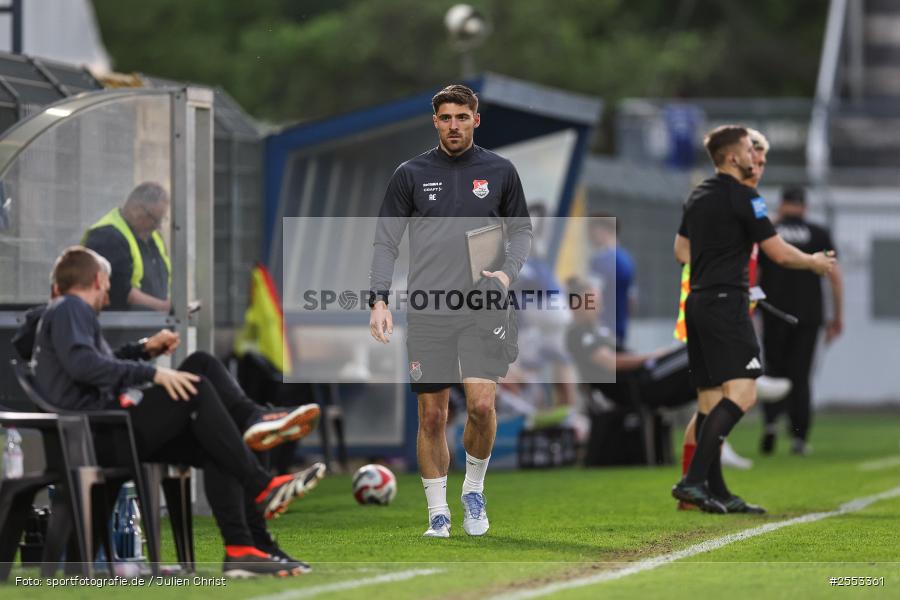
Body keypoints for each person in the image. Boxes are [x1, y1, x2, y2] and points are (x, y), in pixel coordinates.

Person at [25, 246, 325, 576]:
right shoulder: (70, 308)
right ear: (98, 280)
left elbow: (96, 363)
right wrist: (153, 373)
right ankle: (261, 480)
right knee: (198, 387)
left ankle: (244, 547)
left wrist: (143, 349)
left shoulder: (65, 313)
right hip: (101, 434)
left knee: (215, 418)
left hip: (104, 430)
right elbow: (84, 365)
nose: (108, 297)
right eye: (107, 287)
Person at [368, 84, 532, 538]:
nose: (454, 125)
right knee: (432, 416)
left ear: (476, 120)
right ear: (435, 122)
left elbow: (521, 231)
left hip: (483, 308)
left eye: (462, 117)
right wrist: (379, 299)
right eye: (446, 118)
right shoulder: (410, 174)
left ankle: (473, 490)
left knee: (480, 405)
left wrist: (506, 275)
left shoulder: (500, 171)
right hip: (428, 310)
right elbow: (385, 242)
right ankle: (437, 512)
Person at [671, 125, 835, 514]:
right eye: (750, 150)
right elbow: (778, 252)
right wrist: (813, 262)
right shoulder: (748, 198)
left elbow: (680, 251)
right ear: (733, 157)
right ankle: (692, 482)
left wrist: (715, 262)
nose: (754, 157)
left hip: (698, 302)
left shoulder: (697, 195)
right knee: (743, 395)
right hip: (727, 304)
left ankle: (716, 491)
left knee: (710, 402)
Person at [759, 186, 843, 456]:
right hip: (808, 316)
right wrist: (837, 316)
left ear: (782, 203)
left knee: (773, 371)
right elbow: (834, 277)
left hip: (773, 313)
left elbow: (755, 273)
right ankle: (799, 436)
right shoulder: (818, 233)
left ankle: (771, 424)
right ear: (805, 206)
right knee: (800, 375)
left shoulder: (769, 232)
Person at [565, 276, 695, 411]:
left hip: (643, 378)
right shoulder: (578, 334)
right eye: (593, 303)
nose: (598, 308)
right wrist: (654, 356)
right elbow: (611, 362)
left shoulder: (597, 329)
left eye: (598, 302)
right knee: (692, 356)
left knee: (691, 353)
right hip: (638, 386)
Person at [83, 182, 172, 311]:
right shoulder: (107, 236)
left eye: (162, 219)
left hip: (150, 320)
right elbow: (119, 290)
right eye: (155, 219)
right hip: (117, 321)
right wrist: (163, 307)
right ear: (135, 210)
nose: (158, 226)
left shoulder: (153, 237)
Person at [588, 216, 636, 347]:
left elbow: (593, 296)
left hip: (603, 330)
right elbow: (631, 300)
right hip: (620, 330)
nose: (591, 237)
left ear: (603, 231)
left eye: (593, 232)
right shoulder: (627, 259)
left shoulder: (600, 260)